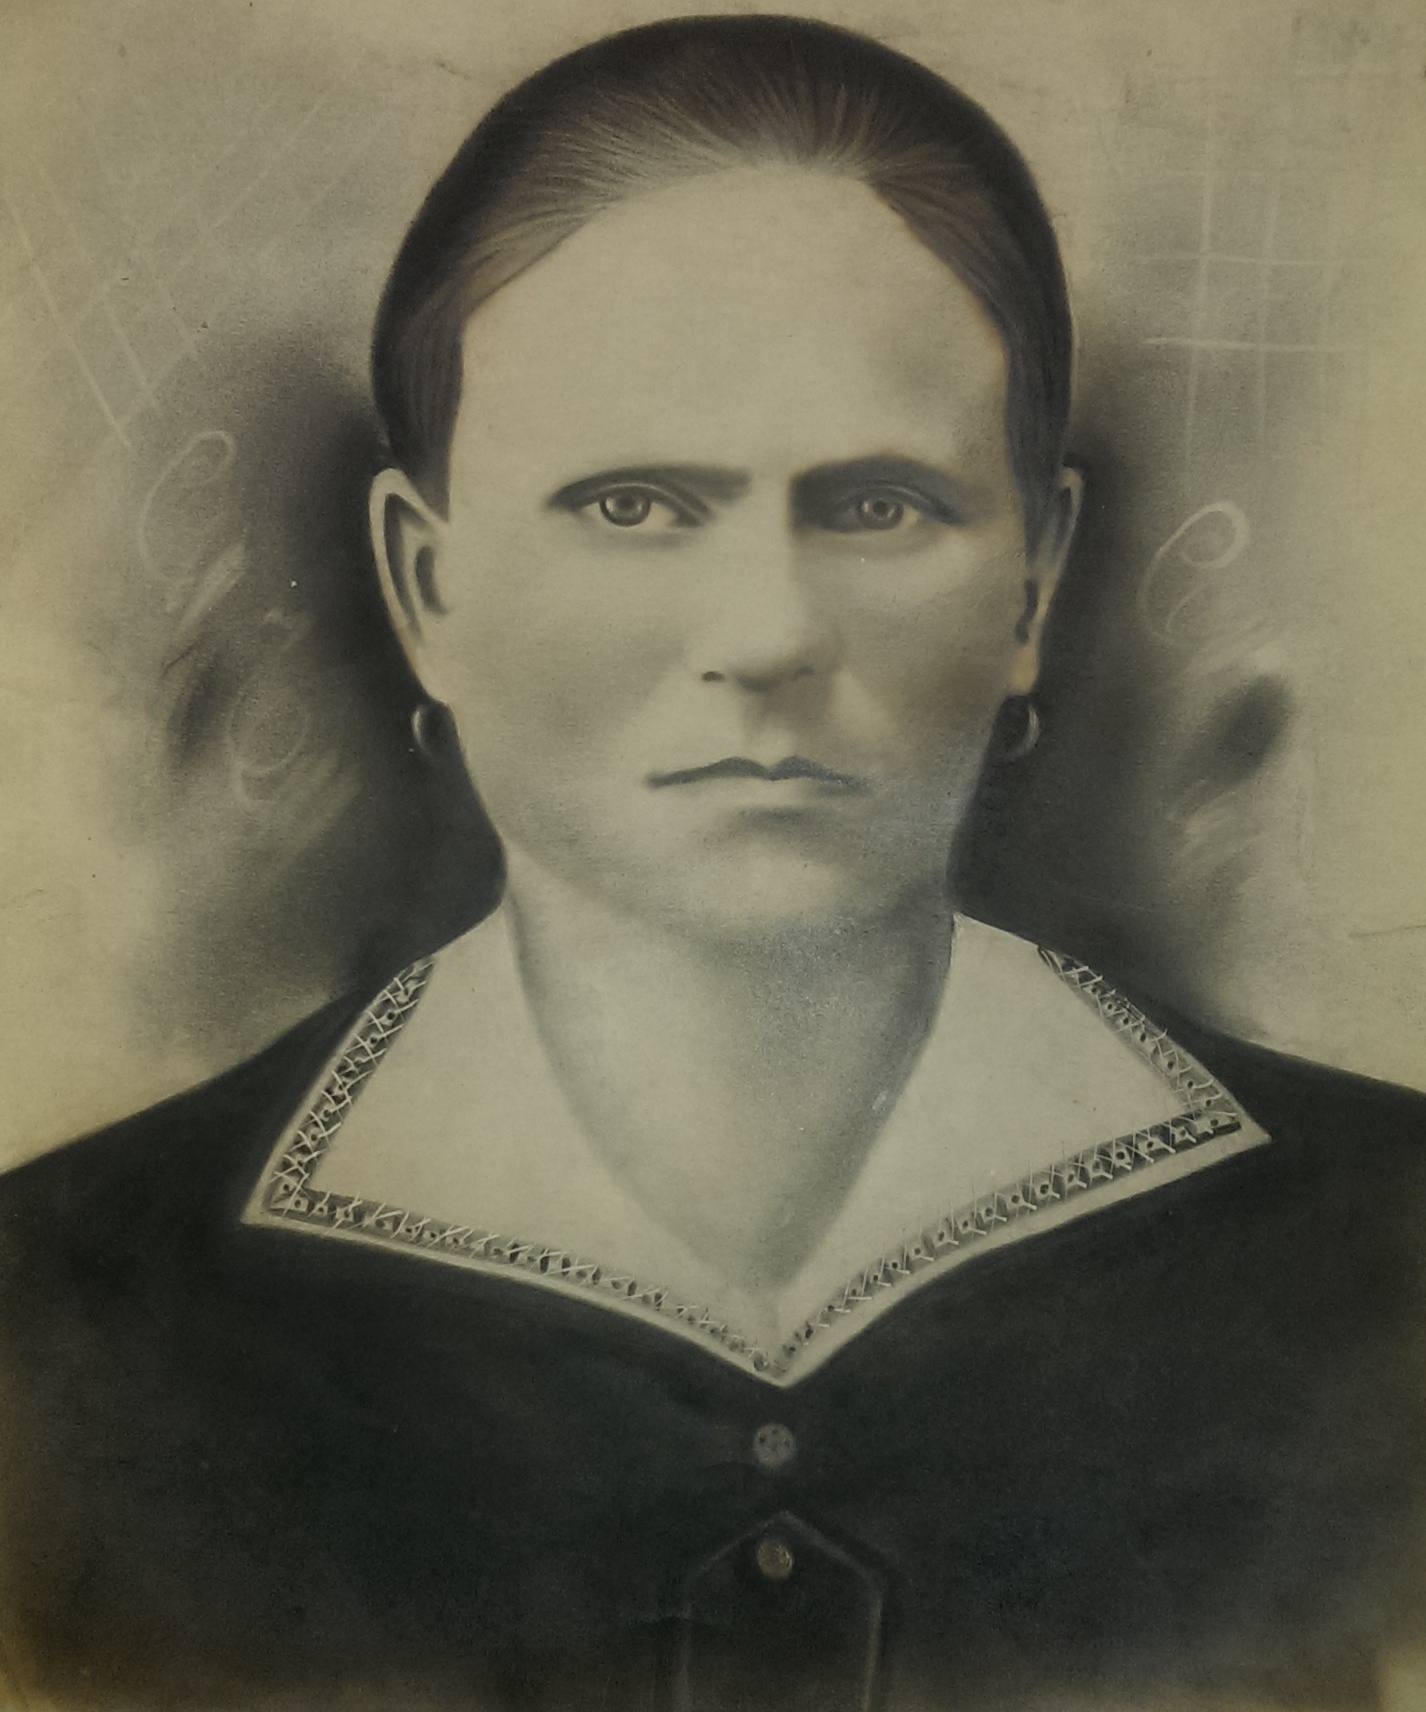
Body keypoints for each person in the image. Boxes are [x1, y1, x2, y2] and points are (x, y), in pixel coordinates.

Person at [1, 16, 1423, 1711]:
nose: (764, 634)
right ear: (427, 588)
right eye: (633, 505)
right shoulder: (61, 1314)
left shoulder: (1384, 1259)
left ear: (1031, 584)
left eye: (876, 506)